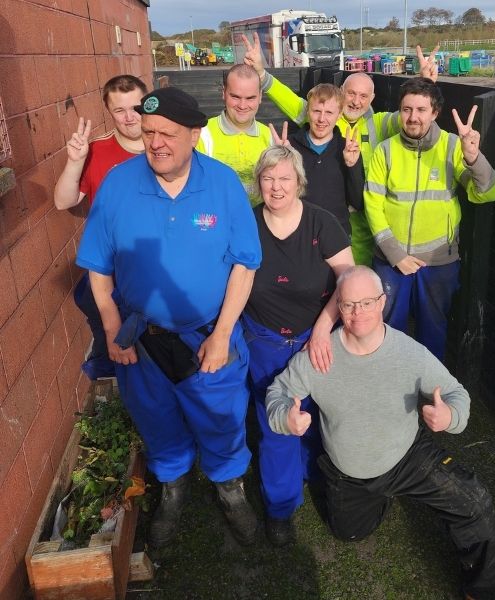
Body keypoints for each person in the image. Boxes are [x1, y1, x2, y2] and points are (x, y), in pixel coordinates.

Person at [76, 87, 262, 548]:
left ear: (195, 135)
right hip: (141, 338)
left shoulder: (223, 184)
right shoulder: (119, 184)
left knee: (222, 418)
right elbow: (98, 266)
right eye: (149, 132)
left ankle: (229, 487)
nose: (156, 143)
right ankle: (174, 485)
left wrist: (222, 335)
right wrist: (112, 328)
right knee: (155, 417)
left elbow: (245, 265)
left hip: (208, 336)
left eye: (168, 133)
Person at [265, 266, 495, 600]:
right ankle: (376, 496)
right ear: (339, 307)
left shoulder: (410, 353)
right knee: (349, 533)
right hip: (350, 470)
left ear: (382, 302)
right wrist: (285, 420)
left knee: (474, 501)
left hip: (407, 456)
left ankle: (483, 591)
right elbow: (277, 393)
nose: (358, 312)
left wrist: (450, 416)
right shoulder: (319, 355)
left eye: (367, 302)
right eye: (349, 305)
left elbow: (457, 394)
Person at [242, 33, 439, 265]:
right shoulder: (324, 113)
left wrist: (425, 84)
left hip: (365, 217)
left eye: (363, 96)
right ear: (341, 93)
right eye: (351, 94)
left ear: (372, 98)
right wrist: (260, 72)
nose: (356, 101)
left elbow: (412, 115)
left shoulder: (380, 123)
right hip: (329, 215)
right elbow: (284, 96)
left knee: (357, 272)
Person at [243, 145, 354, 546]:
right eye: (268, 178)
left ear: (299, 183)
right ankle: (280, 506)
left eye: (285, 178)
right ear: (258, 183)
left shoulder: (322, 222)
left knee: (321, 416)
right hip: (265, 341)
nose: (276, 187)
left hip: (315, 339)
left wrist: (323, 329)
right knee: (277, 424)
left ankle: (320, 477)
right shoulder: (246, 223)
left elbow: (348, 280)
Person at [364, 77, 495, 362]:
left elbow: (487, 193)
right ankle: (392, 385)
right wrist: (396, 255)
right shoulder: (385, 150)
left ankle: (430, 386)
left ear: (435, 112)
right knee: (387, 332)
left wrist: (474, 157)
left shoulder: (452, 147)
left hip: (438, 262)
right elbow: (373, 205)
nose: (412, 117)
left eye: (421, 110)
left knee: (433, 331)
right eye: (406, 109)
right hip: (391, 261)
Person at [54, 74, 148, 380]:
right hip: (110, 272)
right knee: (116, 349)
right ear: (109, 111)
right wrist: (75, 161)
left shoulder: (164, 146)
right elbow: (63, 202)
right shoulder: (96, 150)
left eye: (136, 107)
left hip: (153, 267)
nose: (130, 117)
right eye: (119, 110)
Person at [284, 83, 363, 237]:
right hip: (297, 233)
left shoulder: (348, 149)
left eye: (329, 113)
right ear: (308, 111)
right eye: (316, 111)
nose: (321, 119)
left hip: (336, 235)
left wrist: (352, 166)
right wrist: (282, 160)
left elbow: (358, 203)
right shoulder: (290, 145)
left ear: (339, 115)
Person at [195, 63, 272, 205]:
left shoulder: (270, 136)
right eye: (235, 97)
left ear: (260, 96)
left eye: (250, 98)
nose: (242, 105)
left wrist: (287, 162)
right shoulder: (201, 134)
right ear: (223, 93)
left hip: (258, 218)